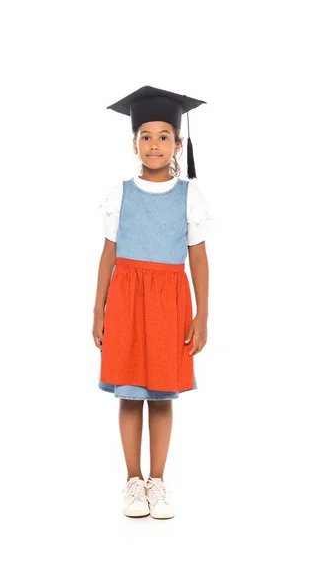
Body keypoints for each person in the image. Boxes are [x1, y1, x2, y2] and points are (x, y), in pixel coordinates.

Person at [92, 85, 214, 520]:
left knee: (161, 396)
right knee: (129, 394)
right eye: (146, 136)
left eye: (164, 136)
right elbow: (109, 254)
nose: (155, 144)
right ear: (134, 143)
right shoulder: (119, 194)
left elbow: (197, 259)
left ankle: (157, 482)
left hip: (169, 304)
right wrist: (97, 309)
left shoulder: (189, 197)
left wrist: (202, 314)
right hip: (126, 302)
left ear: (178, 144)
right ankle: (132, 480)